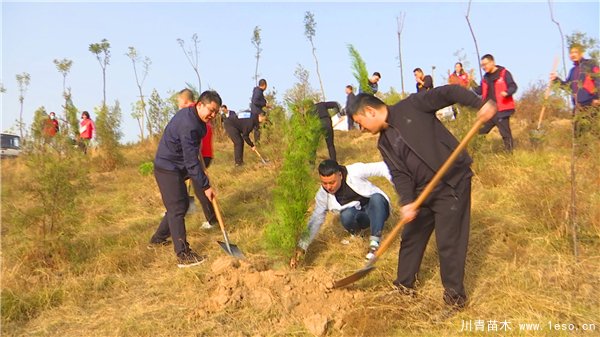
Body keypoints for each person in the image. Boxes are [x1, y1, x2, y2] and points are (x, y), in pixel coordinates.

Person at [348, 85, 495, 310]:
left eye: (360, 122)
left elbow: (450, 93)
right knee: (412, 236)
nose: (361, 129)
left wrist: (480, 104)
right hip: (421, 192)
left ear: (370, 111)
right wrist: (407, 202)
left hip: (451, 182)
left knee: (449, 242)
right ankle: (404, 287)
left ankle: (454, 299)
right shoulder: (384, 143)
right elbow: (400, 175)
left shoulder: (413, 105)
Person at [150, 90, 222, 268]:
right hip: (167, 167)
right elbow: (191, 161)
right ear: (199, 105)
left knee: (180, 205)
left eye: (216, 112)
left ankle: (157, 240)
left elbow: (192, 154)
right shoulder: (189, 124)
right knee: (177, 208)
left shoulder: (196, 120)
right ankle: (183, 255)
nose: (212, 115)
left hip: (175, 166)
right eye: (210, 110)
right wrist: (205, 186)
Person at [290, 159, 392, 268]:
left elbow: (383, 167)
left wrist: (404, 192)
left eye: (332, 182)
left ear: (340, 175)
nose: (329, 187)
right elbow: (316, 219)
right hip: (362, 216)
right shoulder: (323, 195)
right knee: (346, 215)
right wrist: (301, 247)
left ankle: (374, 243)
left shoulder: (354, 171)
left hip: (379, 209)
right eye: (324, 183)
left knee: (377, 198)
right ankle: (358, 235)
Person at [177, 89, 217, 229]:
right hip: (203, 154)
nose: (178, 104)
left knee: (200, 186)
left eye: (179, 101)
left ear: (185, 100)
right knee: (193, 184)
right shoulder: (195, 112)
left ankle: (211, 220)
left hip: (200, 155)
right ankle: (179, 208)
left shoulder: (192, 113)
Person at [550, 43, 600, 137]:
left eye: (576, 52)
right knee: (578, 135)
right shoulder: (572, 70)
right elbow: (568, 87)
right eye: (571, 52)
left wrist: (598, 97)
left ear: (581, 53)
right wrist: (556, 80)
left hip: (591, 104)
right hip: (578, 106)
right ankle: (580, 152)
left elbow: (598, 80)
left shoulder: (590, 64)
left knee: (594, 134)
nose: (573, 54)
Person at [473, 54, 518, 152]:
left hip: (502, 110)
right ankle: (474, 152)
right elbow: (480, 90)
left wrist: (507, 92)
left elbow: (513, 86)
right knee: (480, 131)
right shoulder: (485, 77)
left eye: (485, 64)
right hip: (489, 111)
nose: (484, 67)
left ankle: (509, 155)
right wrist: (470, 87)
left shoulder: (504, 73)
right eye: (482, 66)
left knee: (505, 134)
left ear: (492, 62)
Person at [250, 78, 268, 144]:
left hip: (257, 111)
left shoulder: (258, 91)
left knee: (258, 127)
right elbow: (255, 101)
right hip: (257, 112)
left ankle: (258, 142)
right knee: (258, 127)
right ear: (264, 85)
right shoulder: (258, 91)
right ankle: (257, 143)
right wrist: (264, 104)